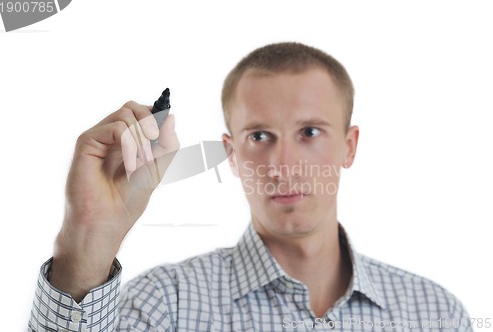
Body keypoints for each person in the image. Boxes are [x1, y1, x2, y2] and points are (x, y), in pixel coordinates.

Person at [28, 42, 472, 331]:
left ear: (349, 146)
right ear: (233, 155)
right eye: (260, 137)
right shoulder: (164, 306)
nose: (283, 166)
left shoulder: (437, 316)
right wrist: (86, 240)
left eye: (310, 133)